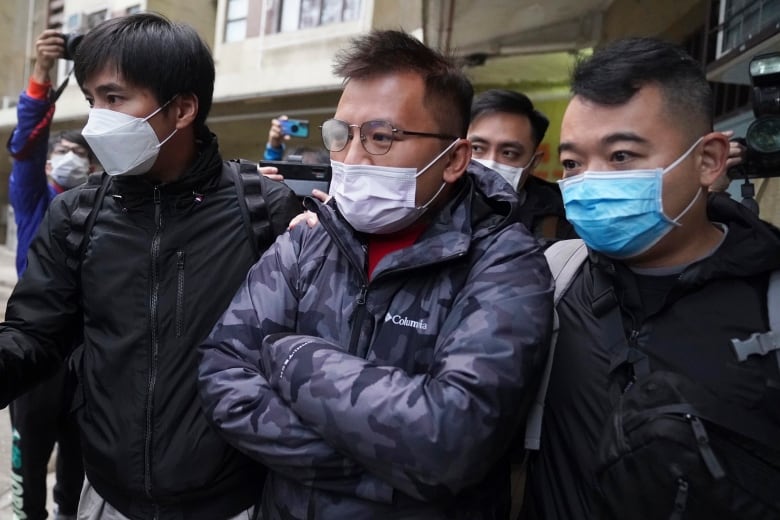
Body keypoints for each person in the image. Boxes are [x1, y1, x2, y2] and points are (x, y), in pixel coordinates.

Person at [198, 29, 554, 519]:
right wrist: (380, 471)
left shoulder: (504, 263)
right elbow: (222, 371)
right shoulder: (309, 239)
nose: (352, 158)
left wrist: (291, 355)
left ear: (453, 159)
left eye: (381, 137)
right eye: (341, 136)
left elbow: (449, 440)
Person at [0, 12, 300, 520]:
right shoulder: (77, 214)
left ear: (182, 108)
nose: (97, 119)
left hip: (235, 502)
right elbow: (34, 336)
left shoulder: (263, 212)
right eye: (92, 101)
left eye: (114, 99)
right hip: (108, 498)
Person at [521, 37, 780, 519]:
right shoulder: (551, 277)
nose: (590, 182)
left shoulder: (770, 304)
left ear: (709, 161)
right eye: (574, 163)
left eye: (621, 157)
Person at [6, 29, 94, 520]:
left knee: (78, 465)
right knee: (30, 460)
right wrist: (42, 74)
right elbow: (27, 144)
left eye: (80, 152)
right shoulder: (34, 200)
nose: (69, 157)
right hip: (37, 354)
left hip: (89, 355)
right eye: (62, 149)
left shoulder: (107, 203)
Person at [469, 89, 577, 245]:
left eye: (508, 153)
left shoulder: (562, 224)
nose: (490, 164)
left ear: (534, 162)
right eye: (477, 148)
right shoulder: (430, 206)